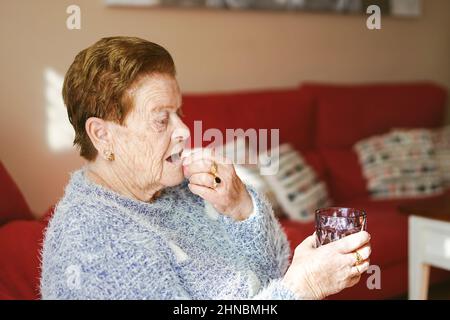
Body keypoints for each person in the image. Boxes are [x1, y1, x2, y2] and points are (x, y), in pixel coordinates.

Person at [40, 36, 371, 299]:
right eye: (160, 119)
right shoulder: (95, 245)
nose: (184, 131)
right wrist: (304, 289)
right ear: (103, 134)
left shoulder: (178, 189)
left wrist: (241, 208)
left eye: (179, 113)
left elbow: (270, 275)